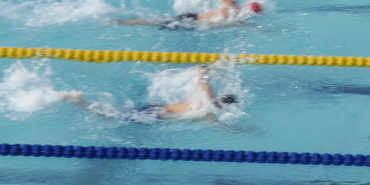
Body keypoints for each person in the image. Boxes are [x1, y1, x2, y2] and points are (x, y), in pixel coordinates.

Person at [63, 65, 238, 123]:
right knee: (113, 116)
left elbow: (202, 78)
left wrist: (212, 70)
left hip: (157, 108)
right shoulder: (208, 109)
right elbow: (217, 124)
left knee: (118, 112)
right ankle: (81, 102)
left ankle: (82, 102)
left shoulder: (203, 97)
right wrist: (240, 130)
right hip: (156, 114)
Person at [116, 0, 262, 28]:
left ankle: (126, 21)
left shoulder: (238, 18)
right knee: (153, 22)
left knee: (156, 21)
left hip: (192, 22)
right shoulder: (232, 7)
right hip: (189, 20)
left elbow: (244, 25)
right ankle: (121, 21)